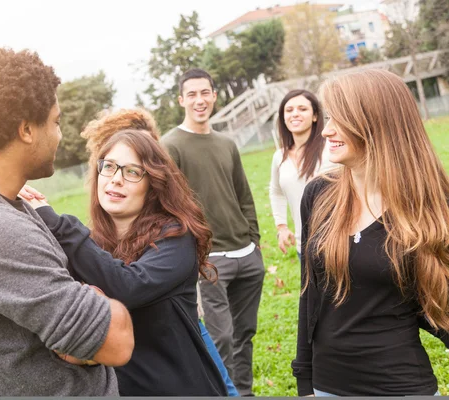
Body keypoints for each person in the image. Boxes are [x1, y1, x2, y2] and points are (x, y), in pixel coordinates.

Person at [0, 48, 134, 397]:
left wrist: (86, 314)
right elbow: (117, 340)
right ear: (26, 129)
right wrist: (96, 303)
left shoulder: (7, 206)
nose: (59, 135)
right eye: (55, 122)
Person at [21, 122, 228, 396]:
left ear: (153, 184)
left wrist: (58, 224)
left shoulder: (177, 238)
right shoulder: (94, 248)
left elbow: (128, 287)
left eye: (132, 172)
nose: (115, 178)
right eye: (108, 166)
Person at [292, 69, 449, 397]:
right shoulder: (318, 195)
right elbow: (310, 294)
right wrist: (305, 380)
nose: (327, 130)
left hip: (400, 386)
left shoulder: (429, 205)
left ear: (378, 123)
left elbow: (439, 302)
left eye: (341, 118)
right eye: (329, 116)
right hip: (327, 386)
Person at [161, 68, 265, 396]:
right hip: (210, 259)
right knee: (222, 338)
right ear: (181, 100)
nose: (199, 100)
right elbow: (170, 206)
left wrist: (256, 244)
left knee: (245, 334)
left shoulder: (226, 143)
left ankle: (244, 393)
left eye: (204, 92)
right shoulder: (170, 145)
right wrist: (194, 254)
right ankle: (225, 393)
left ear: (214, 95)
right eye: (191, 94)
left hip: (246, 255)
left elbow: (244, 195)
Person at [269, 90, 336, 255]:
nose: (295, 114)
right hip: (304, 248)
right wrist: (281, 226)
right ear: (283, 118)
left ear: (315, 116)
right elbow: (276, 192)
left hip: (337, 243)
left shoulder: (332, 149)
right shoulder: (279, 157)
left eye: (302, 109)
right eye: (289, 110)